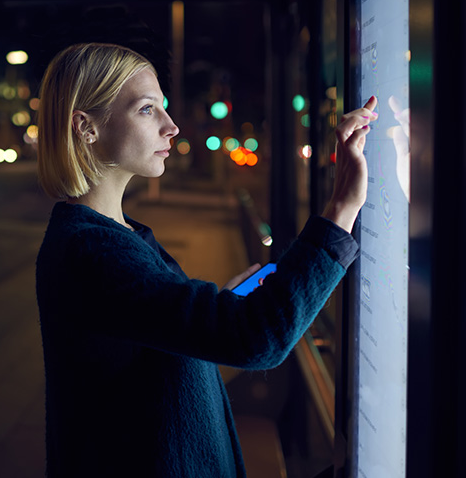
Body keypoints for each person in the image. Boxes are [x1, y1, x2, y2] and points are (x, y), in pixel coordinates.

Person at [35, 42, 377, 477]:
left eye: (163, 108)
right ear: (86, 127)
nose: (171, 126)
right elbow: (256, 337)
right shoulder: (90, 252)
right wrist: (342, 208)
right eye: (146, 110)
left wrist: (223, 308)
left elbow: (159, 338)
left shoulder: (115, 235)